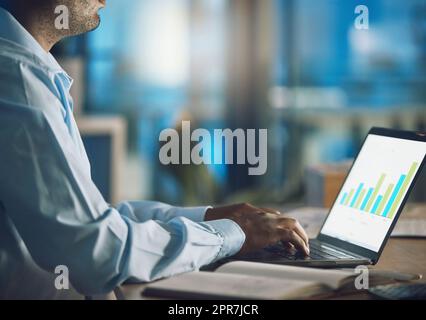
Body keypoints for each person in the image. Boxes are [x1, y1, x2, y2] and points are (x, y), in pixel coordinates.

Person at [0, 0, 309, 299]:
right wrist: (231, 234)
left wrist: (212, 217)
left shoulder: (30, 73)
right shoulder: (16, 79)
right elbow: (95, 251)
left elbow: (95, 220)